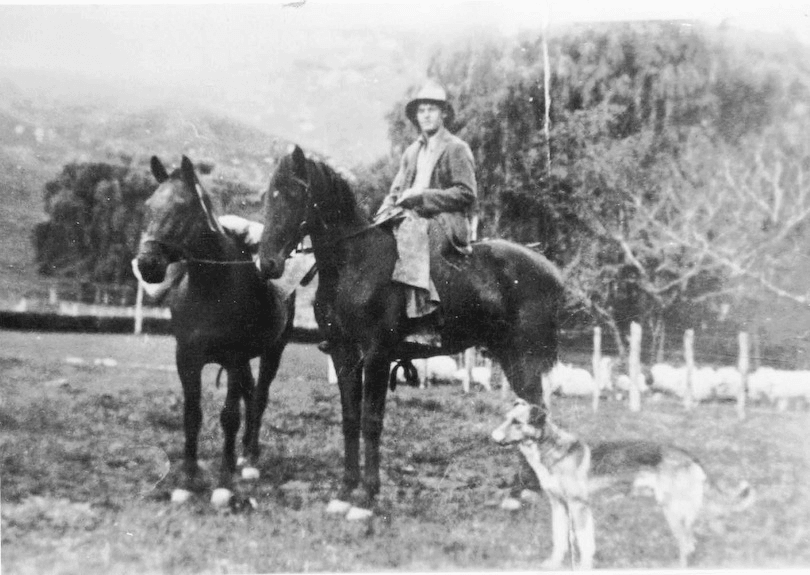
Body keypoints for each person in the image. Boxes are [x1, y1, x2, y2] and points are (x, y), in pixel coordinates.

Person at [374, 80, 478, 347]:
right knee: (377, 243)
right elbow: (395, 191)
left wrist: (423, 197)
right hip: (411, 217)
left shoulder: (456, 148)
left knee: (414, 236)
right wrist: (382, 215)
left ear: (444, 113)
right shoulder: (412, 151)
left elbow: (466, 194)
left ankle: (425, 322)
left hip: (446, 220)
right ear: (416, 116)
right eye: (422, 110)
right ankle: (372, 321)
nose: (427, 115)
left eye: (432, 109)